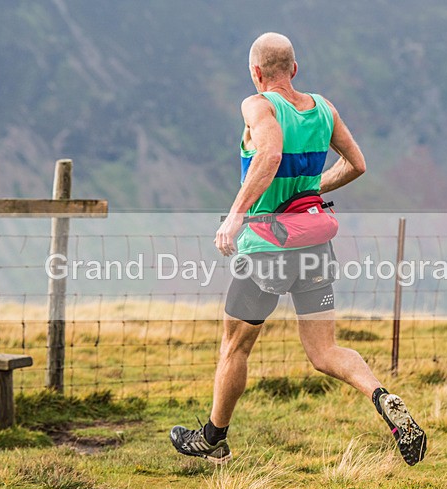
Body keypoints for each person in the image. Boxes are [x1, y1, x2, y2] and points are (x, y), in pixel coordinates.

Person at [170, 32, 426, 466]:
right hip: (314, 246)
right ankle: (383, 398)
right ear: (294, 68)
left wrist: (235, 215)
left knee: (235, 347)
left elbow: (269, 156)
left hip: (266, 247)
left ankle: (214, 439)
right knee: (325, 352)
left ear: (256, 73)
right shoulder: (323, 108)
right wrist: (309, 191)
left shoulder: (258, 105)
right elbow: (357, 164)